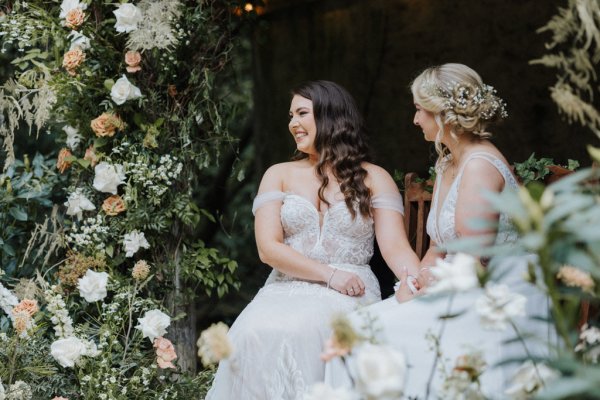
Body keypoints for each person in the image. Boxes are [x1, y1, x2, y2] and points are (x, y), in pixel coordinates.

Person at [325, 63, 551, 398]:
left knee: (365, 335)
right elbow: (437, 248)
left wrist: (422, 288)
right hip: (460, 286)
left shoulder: (479, 167)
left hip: (500, 296)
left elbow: (475, 263)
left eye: (419, 109)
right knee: (353, 331)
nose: (415, 120)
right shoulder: (448, 162)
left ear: (443, 113)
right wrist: (413, 282)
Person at [206, 80, 420, 399]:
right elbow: (268, 248)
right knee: (250, 333)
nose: (293, 123)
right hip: (284, 285)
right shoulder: (278, 173)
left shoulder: (374, 177)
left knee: (307, 331)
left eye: (302, 113)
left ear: (330, 116)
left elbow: (396, 248)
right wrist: (329, 275)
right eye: (290, 115)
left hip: (353, 286)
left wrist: (421, 286)